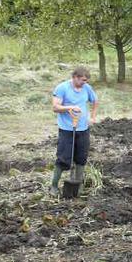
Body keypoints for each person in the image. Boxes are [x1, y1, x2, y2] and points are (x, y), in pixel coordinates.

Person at [49, 67, 98, 196]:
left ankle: (78, 185)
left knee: (81, 158)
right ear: (75, 77)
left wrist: (92, 117)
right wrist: (70, 108)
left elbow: (95, 101)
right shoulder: (62, 88)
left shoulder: (86, 88)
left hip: (83, 129)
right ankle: (54, 187)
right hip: (67, 129)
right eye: (83, 80)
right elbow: (55, 107)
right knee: (63, 158)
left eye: (86, 81)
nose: (85, 83)